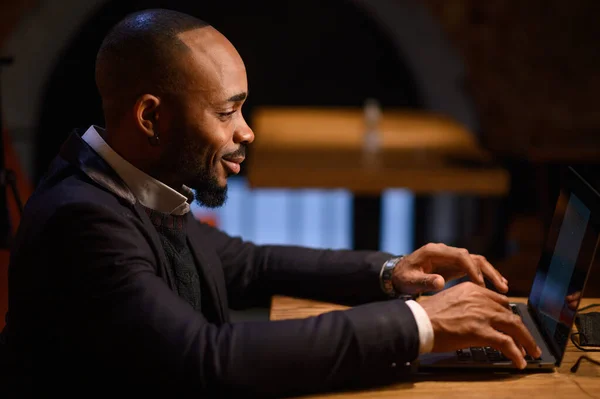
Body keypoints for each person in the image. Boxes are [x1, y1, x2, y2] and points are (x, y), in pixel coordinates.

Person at [0, 8, 540, 397]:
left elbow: (250, 264)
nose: (248, 132)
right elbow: (206, 360)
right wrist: (418, 323)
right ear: (151, 118)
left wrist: (394, 272)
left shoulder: (131, 183)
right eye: (227, 112)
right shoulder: (83, 220)